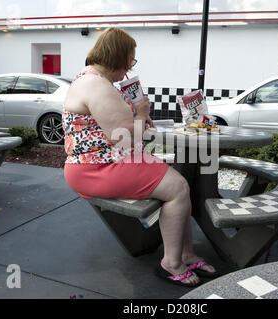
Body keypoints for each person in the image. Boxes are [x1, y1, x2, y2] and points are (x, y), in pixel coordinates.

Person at [62, 27, 217, 287]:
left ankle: (186, 253)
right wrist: (142, 112)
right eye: (130, 60)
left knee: (180, 184)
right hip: (97, 168)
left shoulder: (94, 81)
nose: (130, 67)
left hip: (103, 162)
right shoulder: (96, 85)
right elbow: (125, 136)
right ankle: (172, 262)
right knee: (178, 187)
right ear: (119, 56)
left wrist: (139, 118)